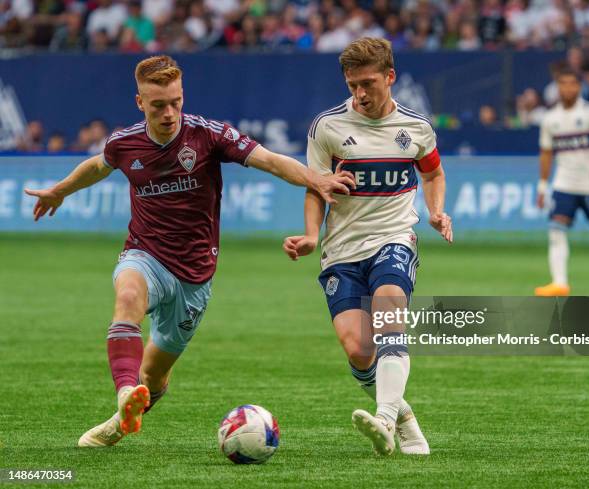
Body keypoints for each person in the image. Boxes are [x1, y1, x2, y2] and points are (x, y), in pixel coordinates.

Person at [24, 55, 355, 448]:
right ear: (139, 103)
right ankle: (124, 395)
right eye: (158, 105)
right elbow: (99, 165)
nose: (169, 113)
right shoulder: (124, 142)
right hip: (144, 254)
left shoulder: (208, 135)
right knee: (128, 296)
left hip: (195, 276)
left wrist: (316, 179)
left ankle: (121, 418)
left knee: (156, 378)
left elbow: (269, 160)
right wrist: (60, 190)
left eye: (176, 102)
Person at [282, 38, 452, 456]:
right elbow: (314, 187)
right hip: (342, 251)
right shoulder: (328, 127)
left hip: (394, 238)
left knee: (390, 307)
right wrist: (310, 235)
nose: (360, 94)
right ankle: (405, 417)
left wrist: (435, 211)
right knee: (359, 351)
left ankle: (385, 420)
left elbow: (433, 174)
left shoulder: (415, 128)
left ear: (389, 77)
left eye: (369, 83)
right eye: (353, 84)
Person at [535, 67, 589, 296]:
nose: (567, 88)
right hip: (564, 184)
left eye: (572, 83)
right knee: (556, 231)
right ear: (557, 87)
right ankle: (559, 283)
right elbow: (546, 153)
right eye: (563, 84)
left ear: (579, 87)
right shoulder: (550, 119)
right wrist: (542, 185)